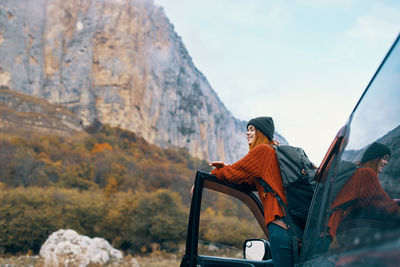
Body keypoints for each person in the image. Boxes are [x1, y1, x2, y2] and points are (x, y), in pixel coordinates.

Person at [209, 116, 294, 267]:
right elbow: (246, 181)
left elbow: (232, 173)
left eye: (252, 130)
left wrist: (210, 176)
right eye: (247, 130)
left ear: (261, 132)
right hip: (292, 228)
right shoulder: (274, 154)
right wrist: (226, 169)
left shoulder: (263, 151)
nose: (247, 133)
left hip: (279, 226)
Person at [328, 142, 400, 248]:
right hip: (340, 235)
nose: (386, 163)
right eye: (384, 158)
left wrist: (393, 202)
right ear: (375, 157)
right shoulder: (366, 173)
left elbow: (370, 202)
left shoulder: (358, 171)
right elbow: (385, 207)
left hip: (335, 229)